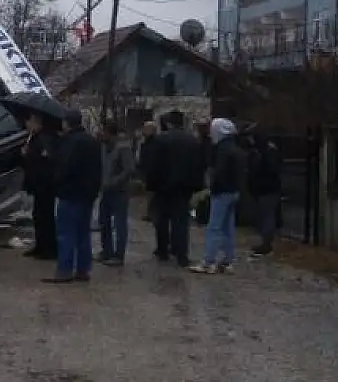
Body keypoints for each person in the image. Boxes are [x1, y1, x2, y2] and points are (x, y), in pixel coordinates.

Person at [44, 108, 101, 284]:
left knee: (66, 233)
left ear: (67, 123)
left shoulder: (68, 142)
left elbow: (66, 167)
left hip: (70, 193)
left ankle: (65, 269)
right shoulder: (91, 141)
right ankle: (83, 269)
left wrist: (55, 179)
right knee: (83, 232)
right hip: (88, 193)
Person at [148, 110, 201, 268]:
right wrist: (196, 185)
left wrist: (151, 184)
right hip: (184, 187)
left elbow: (154, 164)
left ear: (169, 123)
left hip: (163, 186)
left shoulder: (161, 140)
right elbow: (197, 165)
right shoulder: (192, 141)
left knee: (162, 219)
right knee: (181, 221)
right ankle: (181, 254)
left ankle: (163, 250)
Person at [192, 118, 244, 274]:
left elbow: (219, 172)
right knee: (228, 227)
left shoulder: (221, 149)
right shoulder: (234, 147)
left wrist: (210, 187)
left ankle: (209, 261)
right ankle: (228, 261)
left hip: (221, 192)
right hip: (233, 191)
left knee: (214, 227)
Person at [20, 113, 58, 262]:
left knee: (45, 216)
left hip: (45, 185)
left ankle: (49, 248)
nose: (27, 125)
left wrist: (29, 155)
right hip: (37, 184)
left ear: (37, 123)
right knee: (38, 215)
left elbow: (45, 161)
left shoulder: (46, 139)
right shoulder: (34, 138)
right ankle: (40, 245)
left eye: (29, 122)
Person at [97, 120, 136, 265]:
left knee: (120, 223)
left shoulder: (123, 148)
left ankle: (118, 255)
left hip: (120, 191)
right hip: (106, 191)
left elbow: (129, 169)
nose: (101, 134)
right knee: (104, 221)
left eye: (104, 131)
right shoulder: (103, 147)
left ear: (110, 133)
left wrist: (114, 181)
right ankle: (106, 251)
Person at [246, 128, 283, 256]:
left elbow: (271, 169)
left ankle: (267, 244)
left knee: (267, 217)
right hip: (263, 189)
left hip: (267, 189)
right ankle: (265, 243)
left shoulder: (267, 152)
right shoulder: (262, 151)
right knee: (264, 216)